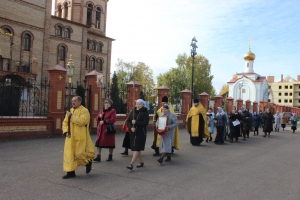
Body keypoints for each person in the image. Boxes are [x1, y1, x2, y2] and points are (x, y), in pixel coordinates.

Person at [62, 96, 94, 179]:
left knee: (80, 154)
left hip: (80, 137)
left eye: (75, 101)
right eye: (72, 101)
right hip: (70, 137)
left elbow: (82, 122)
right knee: (69, 155)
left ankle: (87, 163)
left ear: (80, 102)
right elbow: (65, 123)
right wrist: (66, 131)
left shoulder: (85, 111)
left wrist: (71, 117)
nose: (73, 102)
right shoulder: (70, 111)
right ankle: (70, 172)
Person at [125, 99, 149, 170]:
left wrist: (136, 122)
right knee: (137, 149)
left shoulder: (145, 112)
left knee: (136, 148)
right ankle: (141, 162)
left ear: (142, 105)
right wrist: (130, 128)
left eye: (140, 104)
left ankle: (131, 164)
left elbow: (145, 123)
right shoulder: (133, 111)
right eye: (137, 104)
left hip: (141, 133)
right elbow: (128, 121)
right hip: (133, 133)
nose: (138, 105)